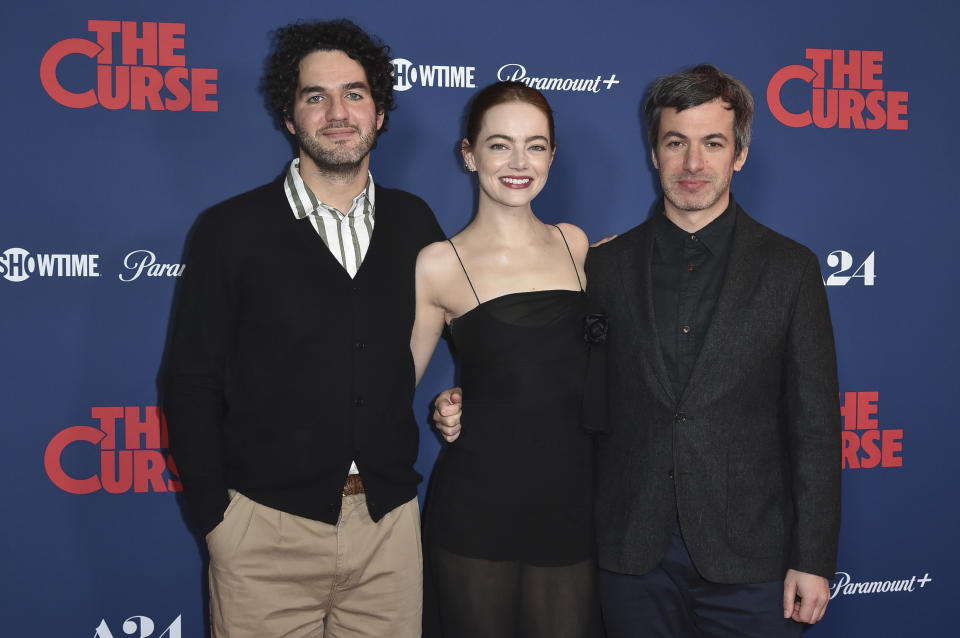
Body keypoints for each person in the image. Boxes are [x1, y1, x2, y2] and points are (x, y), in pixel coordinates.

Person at [435, 65, 841, 637]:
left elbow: (817, 426)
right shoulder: (603, 266)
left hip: (752, 562)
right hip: (629, 560)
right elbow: (543, 365)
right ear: (654, 153)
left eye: (713, 144)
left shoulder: (789, 269)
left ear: (740, 154)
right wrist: (466, 398)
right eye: (676, 142)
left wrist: (814, 558)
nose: (693, 163)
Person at [163, 19, 444, 638]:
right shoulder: (229, 230)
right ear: (290, 117)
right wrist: (219, 521)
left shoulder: (414, 222)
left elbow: (476, 328)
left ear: (380, 112)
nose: (337, 112)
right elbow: (189, 381)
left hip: (387, 532)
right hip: (263, 533)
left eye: (354, 93)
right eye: (315, 96)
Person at [410, 81, 600, 638]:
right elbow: (391, 387)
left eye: (535, 145)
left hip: (570, 498)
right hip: (477, 503)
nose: (519, 162)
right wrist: (444, 403)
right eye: (500, 145)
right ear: (469, 154)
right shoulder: (439, 264)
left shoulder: (576, 244)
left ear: (552, 156)